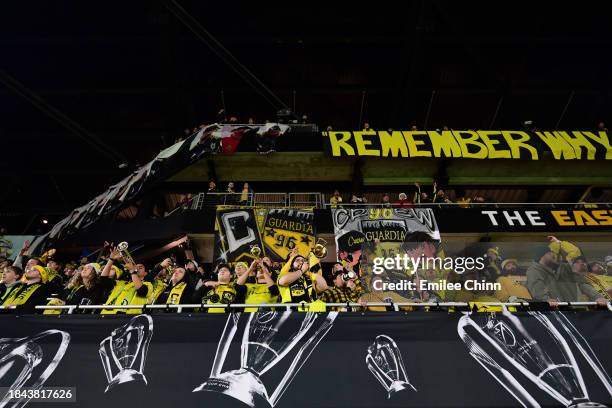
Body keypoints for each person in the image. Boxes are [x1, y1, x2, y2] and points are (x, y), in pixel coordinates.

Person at [526, 236, 607, 306]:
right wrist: (546, 299)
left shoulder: (566, 268)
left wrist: (598, 297)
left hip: (574, 310)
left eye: (558, 254)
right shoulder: (534, 270)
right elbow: (537, 287)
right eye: (552, 253)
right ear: (542, 256)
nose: (557, 256)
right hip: (552, 312)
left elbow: (582, 284)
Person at [100, 248, 153, 314]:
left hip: (128, 318)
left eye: (141, 267)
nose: (137, 268)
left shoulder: (148, 284)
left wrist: (132, 271)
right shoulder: (121, 283)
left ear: (146, 273)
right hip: (107, 315)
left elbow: (141, 291)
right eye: (136, 266)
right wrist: (111, 259)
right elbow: (103, 279)